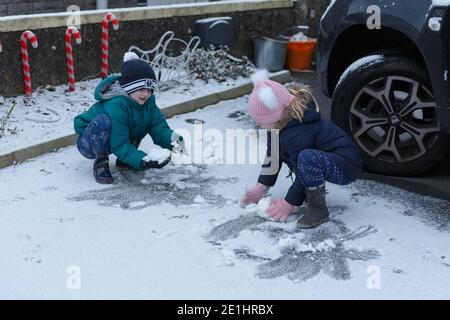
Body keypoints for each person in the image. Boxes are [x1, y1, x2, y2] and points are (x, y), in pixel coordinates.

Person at [240, 70, 363, 229]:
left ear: (275, 115)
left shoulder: (297, 132)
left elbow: (301, 168)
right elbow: (273, 157)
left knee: (306, 158)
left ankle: (318, 210)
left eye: (261, 121)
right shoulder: (278, 126)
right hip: (327, 160)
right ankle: (308, 193)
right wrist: (260, 188)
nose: (259, 125)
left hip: (346, 165)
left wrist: (289, 203)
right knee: (306, 160)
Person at [74, 52, 184, 184]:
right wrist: (142, 160)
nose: (146, 94)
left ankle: (124, 161)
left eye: (149, 90)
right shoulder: (116, 105)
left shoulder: (148, 103)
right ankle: (100, 163)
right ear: (129, 88)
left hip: (115, 137)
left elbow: (158, 127)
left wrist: (174, 141)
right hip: (89, 142)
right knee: (104, 122)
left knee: (142, 119)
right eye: (141, 89)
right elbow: (119, 144)